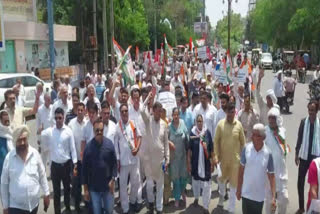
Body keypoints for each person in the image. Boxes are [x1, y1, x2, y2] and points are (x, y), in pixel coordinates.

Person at [1, 125, 50, 214]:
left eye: (24, 139)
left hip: (34, 205)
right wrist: (5, 206)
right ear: (15, 141)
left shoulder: (35, 154)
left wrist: (46, 193)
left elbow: (42, 174)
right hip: (16, 207)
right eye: (20, 140)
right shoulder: (9, 158)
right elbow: (4, 184)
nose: (23, 142)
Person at [41, 107, 78, 214]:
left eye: (60, 118)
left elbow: (73, 149)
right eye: (56, 118)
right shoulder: (50, 132)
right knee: (56, 192)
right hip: (55, 167)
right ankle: (57, 211)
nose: (58, 120)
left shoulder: (68, 131)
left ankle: (67, 208)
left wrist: (75, 164)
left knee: (67, 189)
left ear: (63, 117)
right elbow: (42, 137)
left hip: (66, 166)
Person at [213, 102, 246, 214]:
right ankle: (222, 197)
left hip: (235, 162)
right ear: (226, 112)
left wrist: (243, 158)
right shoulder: (220, 124)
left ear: (234, 113)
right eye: (228, 112)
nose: (230, 114)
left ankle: (231, 209)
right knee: (221, 182)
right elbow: (216, 141)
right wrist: (216, 156)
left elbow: (243, 143)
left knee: (233, 186)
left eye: (232, 112)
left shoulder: (238, 125)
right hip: (222, 160)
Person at [236, 123, 276, 214]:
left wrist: (273, 197)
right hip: (246, 194)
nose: (252, 137)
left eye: (255, 135)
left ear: (262, 137)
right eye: (252, 134)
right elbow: (241, 171)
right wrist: (239, 189)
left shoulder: (268, 153)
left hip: (259, 197)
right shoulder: (246, 148)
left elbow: (272, 176)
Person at [82, 118, 117, 214]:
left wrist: (113, 179)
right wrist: (85, 190)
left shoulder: (109, 145)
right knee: (97, 211)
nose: (99, 132)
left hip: (107, 188)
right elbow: (84, 170)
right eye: (97, 130)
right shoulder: (88, 148)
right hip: (94, 189)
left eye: (101, 130)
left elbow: (114, 164)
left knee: (109, 210)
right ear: (93, 131)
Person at [141, 98, 169, 214]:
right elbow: (142, 110)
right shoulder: (148, 121)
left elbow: (166, 143)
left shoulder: (164, 124)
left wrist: (167, 158)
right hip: (149, 161)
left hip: (160, 161)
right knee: (149, 185)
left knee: (160, 186)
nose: (158, 114)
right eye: (157, 111)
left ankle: (159, 207)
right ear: (153, 111)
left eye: (160, 112)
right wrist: (148, 97)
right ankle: (151, 203)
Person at [114, 103, 142, 214]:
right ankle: (126, 208)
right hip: (123, 161)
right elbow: (116, 145)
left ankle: (133, 201)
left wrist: (138, 148)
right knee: (123, 186)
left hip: (134, 159)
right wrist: (117, 160)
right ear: (120, 113)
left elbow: (139, 137)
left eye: (126, 111)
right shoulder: (117, 126)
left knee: (135, 183)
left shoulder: (133, 124)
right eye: (122, 111)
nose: (124, 113)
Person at [295, 100, 319, 214]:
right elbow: (299, 138)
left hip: (315, 159)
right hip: (304, 157)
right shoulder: (304, 122)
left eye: (313, 111)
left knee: (315, 185)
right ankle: (301, 207)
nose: (311, 113)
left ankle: (314, 208)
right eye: (309, 110)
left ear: (317, 111)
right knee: (300, 182)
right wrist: (296, 154)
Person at [187, 114, 214, 214]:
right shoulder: (193, 133)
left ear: (203, 122)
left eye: (201, 121)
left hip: (206, 164)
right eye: (198, 121)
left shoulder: (207, 133)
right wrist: (188, 163)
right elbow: (189, 149)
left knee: (206, 186)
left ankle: (206, 206)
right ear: (195, 122)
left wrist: (212, 162)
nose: (199, 123)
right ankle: (197, 198)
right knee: (195, 183)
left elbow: (211, 149)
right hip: (195, 164)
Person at [265, 107, 289, 214]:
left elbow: (284, 149)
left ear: (277, 119)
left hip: (282, 173)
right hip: (269, 174)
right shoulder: (265, 131)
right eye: (269, 118)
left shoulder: (282, 131)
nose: (271, 121)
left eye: (273, 118)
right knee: (270, 204)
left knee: (284, 200)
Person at [68, 102, 87, 212]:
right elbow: (70, 144)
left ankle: (88, 203)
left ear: (84, 111)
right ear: (76, 111)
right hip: (76, 161)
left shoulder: (88, 123)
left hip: (86, 160)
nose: (80, 112)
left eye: (82, 110)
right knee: (76, 183)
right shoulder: (71, 124)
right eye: (78, 110)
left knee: (87, 182)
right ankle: (77, 205)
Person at [168, 108, 189, 208]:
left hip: (183, 156)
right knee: (176, 179)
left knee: (183, 177)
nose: (175, 117)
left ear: (179, 115)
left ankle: (183, 194)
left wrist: (189, 153)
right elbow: (164, 140)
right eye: (174, 115)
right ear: (172, 115)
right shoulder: (169, 126)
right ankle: (177, 198)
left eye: (177, 115)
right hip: (174, 158)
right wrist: (169, 142)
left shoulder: (183, 123)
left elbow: (187, 137)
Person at [36, 93, 53, 171]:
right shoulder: (40, 109)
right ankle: (43, 173)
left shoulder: (52, 108)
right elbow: (38, 124)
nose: (49, 101)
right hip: (43, 136)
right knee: (43, 157)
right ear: (44, 100)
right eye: (48, 100)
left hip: (51, 136)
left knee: (51, 156)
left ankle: (52, 174)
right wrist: (38, 138)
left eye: (50, 100)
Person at [0, 110, 13, 178]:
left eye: (8, 120)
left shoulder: (12, 132)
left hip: (12, 169)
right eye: (5, 121)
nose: (7, 123)